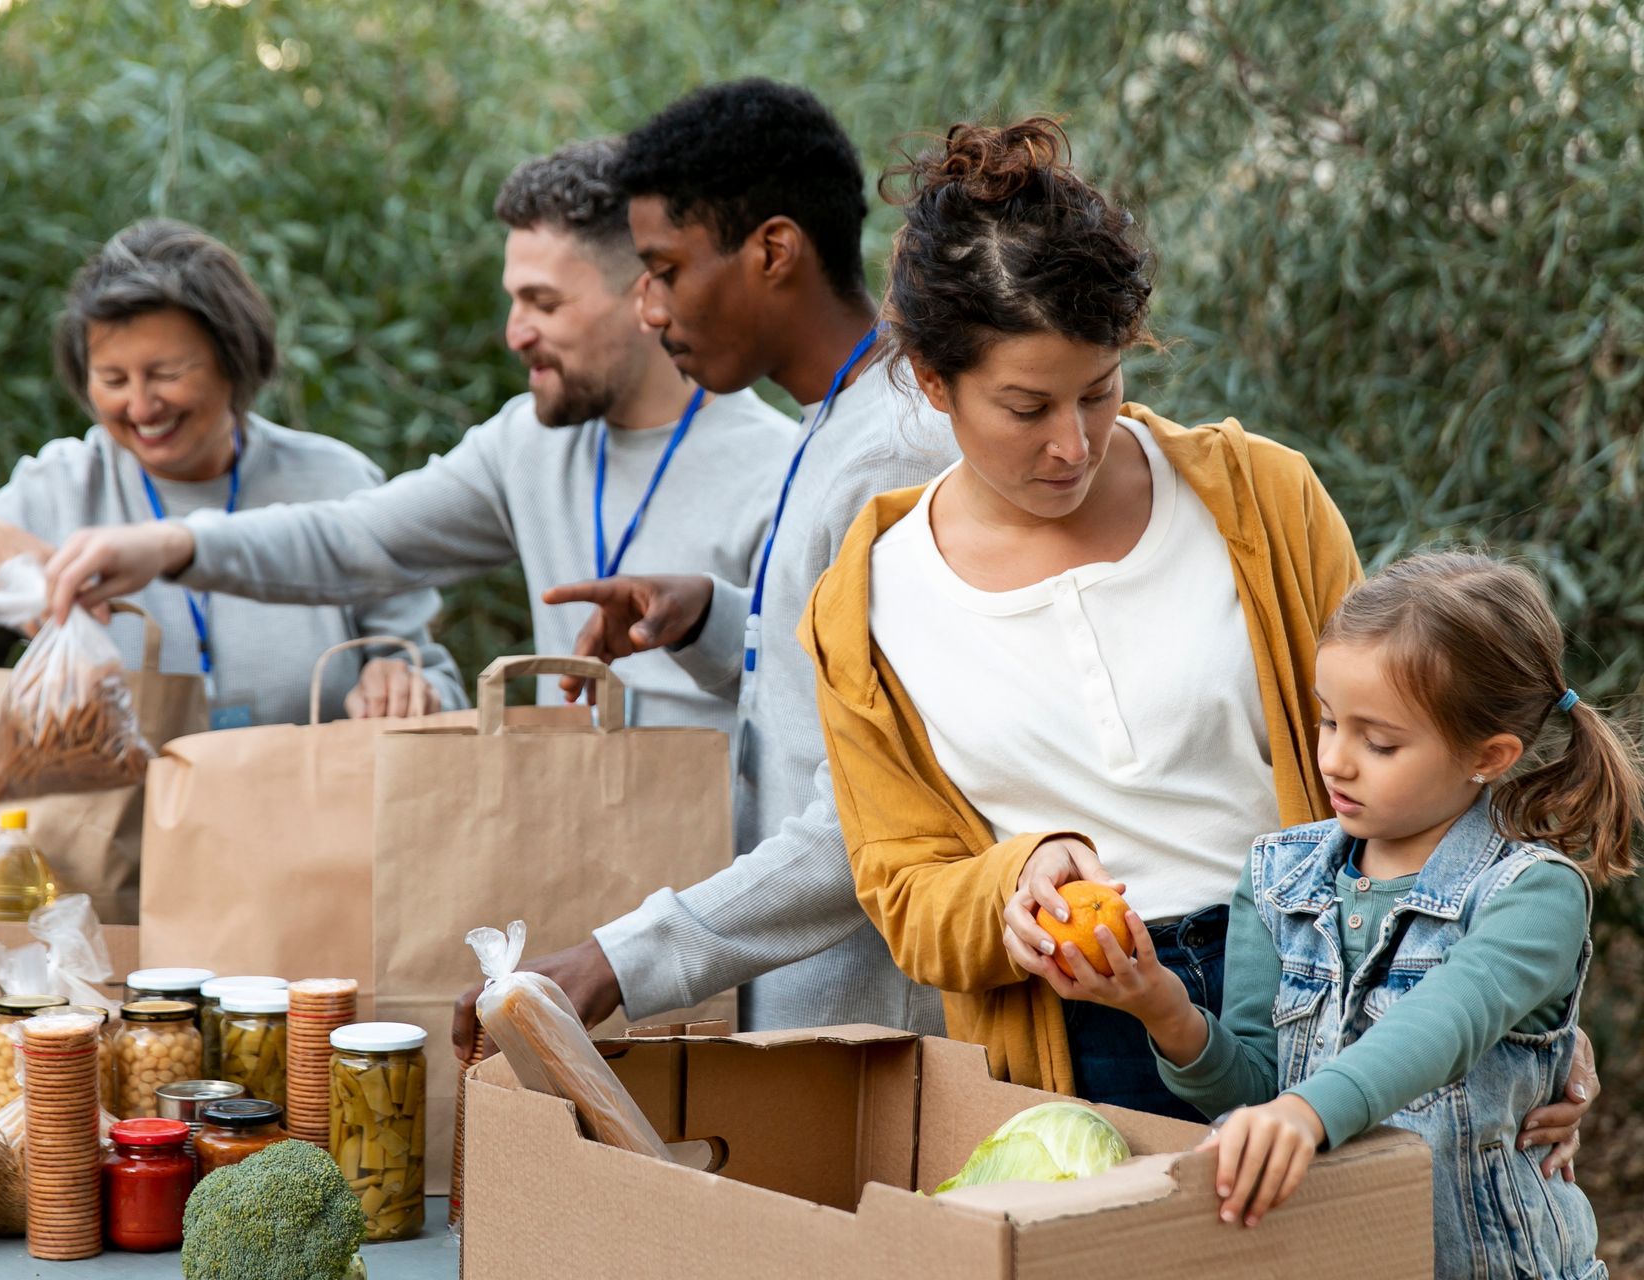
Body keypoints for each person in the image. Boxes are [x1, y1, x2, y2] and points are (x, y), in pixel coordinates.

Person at [798, 119, 1599, 1160]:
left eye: (1100, 389)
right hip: (1075, 1037)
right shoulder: (866, 601)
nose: (1072, 442)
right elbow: (903, 892)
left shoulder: (1261, 500)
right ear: (937, 383)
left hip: (1337, 995)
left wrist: (1525, 1002)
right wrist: (1020, 875)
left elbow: (1421, 748)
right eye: (1026, 405)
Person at [452, 79, 960, 1050]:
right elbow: (829, 700)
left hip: (879, 1029)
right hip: (813, 1006)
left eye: (665, 268)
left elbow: (872, 814)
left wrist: (613, 958)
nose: (649, 308)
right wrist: (713, 621)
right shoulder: (837, 424)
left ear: (773, 251)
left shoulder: (889, 458)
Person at [41, 140, 793, 732]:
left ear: (644, 294)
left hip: (711, 900)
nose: (513, 333)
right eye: (512, 300)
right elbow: (357, 540)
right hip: (578, 875)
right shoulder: (525, 445)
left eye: (543, 303)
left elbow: (804, 719)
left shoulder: (776, 473)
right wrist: (176, 547)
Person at [1064, 552, 1631, 1273]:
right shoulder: (1277, 878)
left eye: (1380, 741)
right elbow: (1254, 1090)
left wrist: (1307, 1114)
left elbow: (1445, 1023)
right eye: (1329, 722)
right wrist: (1163, 1008)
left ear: (1488, 756)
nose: (1335, 759)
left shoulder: (1533, 893)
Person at [0, 219, 464, 727]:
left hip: (308, 852)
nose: (140, 406)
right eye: (113, 380)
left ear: (234, 361)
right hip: (116, 869)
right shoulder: (58, 491)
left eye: (166, 374)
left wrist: (407, 684)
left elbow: (437, 679)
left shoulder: (334, 480)